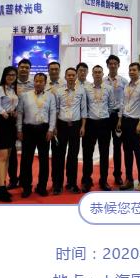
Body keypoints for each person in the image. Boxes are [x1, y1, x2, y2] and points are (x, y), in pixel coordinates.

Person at [16, 72, 56, 198]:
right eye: (36, 81)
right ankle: (26, 187)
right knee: (26, 160)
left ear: (45, 83)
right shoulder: (25, 95)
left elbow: (53, 113)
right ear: (34, 82)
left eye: (41, 81)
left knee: (44, 160)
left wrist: (51, 130)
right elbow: (20, 113)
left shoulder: (50, 96)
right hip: (28, 130)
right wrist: (19, 129)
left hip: (44, 130)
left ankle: (41, 187)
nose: (38, 83)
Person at [52, 67, 87, 195]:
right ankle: (57, 184)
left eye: (73, 75)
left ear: (76, 77)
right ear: (65, 77)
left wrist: (83, 127)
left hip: (75, 126)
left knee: (73, 156)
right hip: (61, 126)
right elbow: (55, 110)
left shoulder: (81, 91)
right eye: (69, 75)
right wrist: (54, 126)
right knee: (59, 156)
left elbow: (84, 110)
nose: (71, 77)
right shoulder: (59, 91)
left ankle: (72, 183)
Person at [117, 62, 140, 191]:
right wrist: (120, 119)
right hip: (125, 121)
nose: (131, 72)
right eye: (130, 70)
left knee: (138, 151)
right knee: (127, 152)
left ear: (139, 71)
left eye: (134, 70)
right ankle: (129, 179)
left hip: (135, 122)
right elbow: (123, 103)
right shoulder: (126, 86)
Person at [83, 64, 116, 192]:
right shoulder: (86, 88)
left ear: (103, 74)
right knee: (87, 153)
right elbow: (84, 106)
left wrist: (104, 116)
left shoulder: (109, 88)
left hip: (104, 124)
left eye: (99, 72)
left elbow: (111, 105)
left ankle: (103, 181)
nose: (97, 74)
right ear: (92, 74)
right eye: (95, 72)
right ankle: (87, 180)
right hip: (90, 123)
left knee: (104, 153)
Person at [8, 58, 34, 189]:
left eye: (26, 68)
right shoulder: (11, 83)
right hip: (11, 121)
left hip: (28, 121)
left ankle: (24, 179)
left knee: (27, 153)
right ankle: (13, 179)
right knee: (11, 151)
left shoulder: (34, 84)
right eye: (22, 67)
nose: (24, 69)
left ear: (30, 70)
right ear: (18, 68)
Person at [0, 67, 18, 202]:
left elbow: (14, 105)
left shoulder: (13, 90)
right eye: (8, 74)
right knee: (2, 156)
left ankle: (3, 182)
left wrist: (14, 112)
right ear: (4, 75)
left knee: (8, 155)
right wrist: (4, 114)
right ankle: (1, 188)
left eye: (13, 75)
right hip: (3, 122)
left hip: (12, 123)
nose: (11, 77)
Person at [104, 54, 128, 186]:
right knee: (104, 146)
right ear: (107, 65)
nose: (113, 65)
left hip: (118, 117)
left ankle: (117, 175)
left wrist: (120, 117)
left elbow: (125, 100)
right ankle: (103, 177)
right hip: (106, 117)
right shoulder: (103, 81)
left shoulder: (124, 81)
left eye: (115, 63)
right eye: (110, 63)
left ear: (118, 65)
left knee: (117, 147)